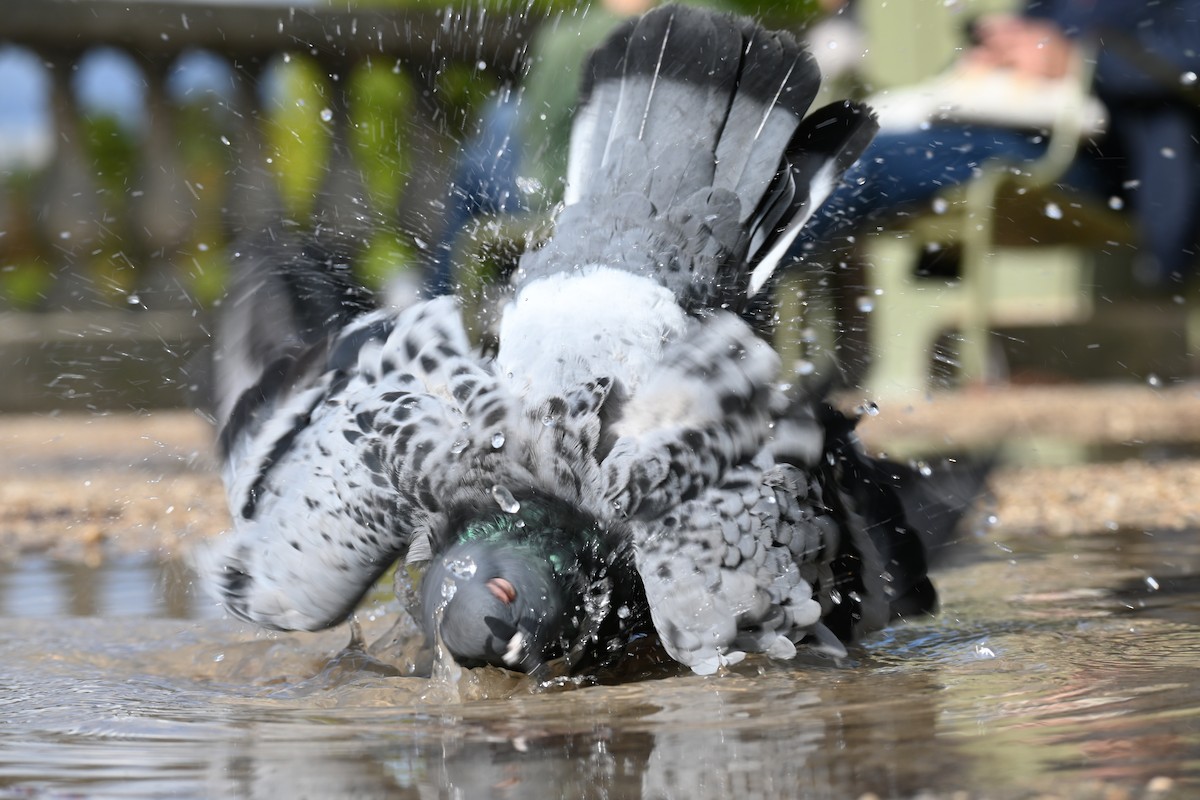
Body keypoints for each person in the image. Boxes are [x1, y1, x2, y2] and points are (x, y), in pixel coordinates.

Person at [798, 1, 1200, 290]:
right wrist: (989, 59)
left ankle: (740, 299)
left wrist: (1076, 61)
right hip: (995, 139)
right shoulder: (1050, 6)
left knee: (865, 160)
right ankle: (756, 310)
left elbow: (1187, 61)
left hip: (1101, 165)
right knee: (840, 148)